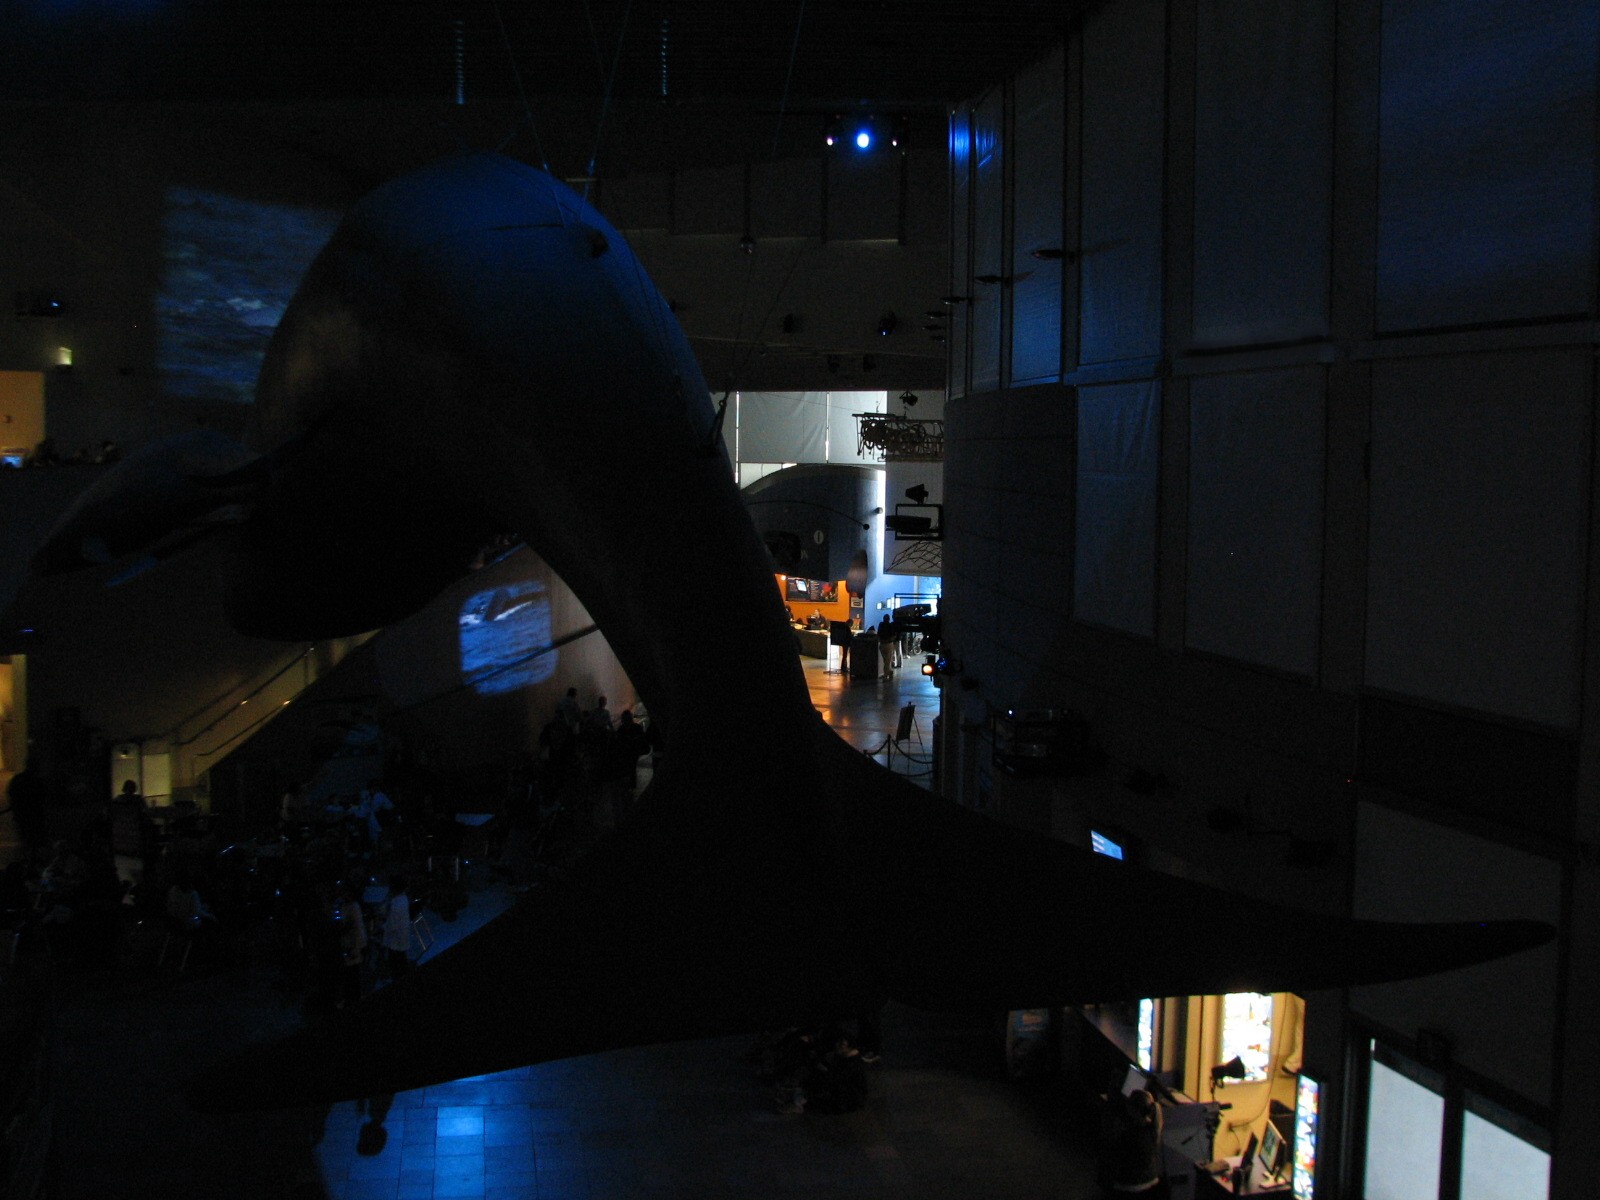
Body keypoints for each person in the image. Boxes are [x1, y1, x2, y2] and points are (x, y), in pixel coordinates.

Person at [1101, 1087, 1167, 1197]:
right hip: (1152, 1184)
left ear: (1132, 1109)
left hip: (1129, 1188)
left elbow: (1113, 1157)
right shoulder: (1152, 1130)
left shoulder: (1129, 1136)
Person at [377, 874, 412, 980]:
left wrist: (380, 927)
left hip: (395, 940)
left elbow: (392, 925)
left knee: (397, 965)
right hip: (402, 937)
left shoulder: (396, 903)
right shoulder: (403, 898)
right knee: (401, 961)